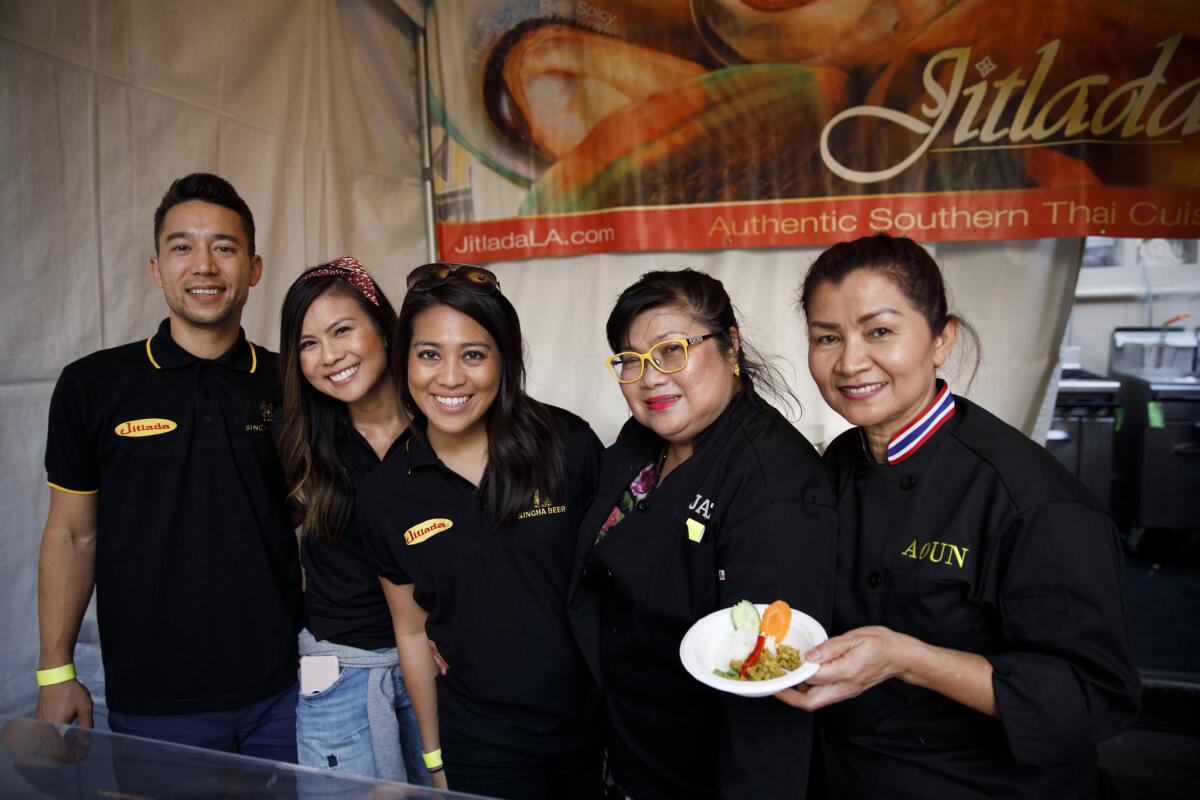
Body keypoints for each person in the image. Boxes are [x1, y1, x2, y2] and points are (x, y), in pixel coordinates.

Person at [780, 233, 1141, 798]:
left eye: (879, 331)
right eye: (828, 337)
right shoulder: (834, 466)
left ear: (941, 339)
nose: (850, 362)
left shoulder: (1031, 499)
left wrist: (910, 659)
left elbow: (1092, 695)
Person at [36, 173, 303, 759]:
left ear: (253, 267)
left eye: (224, 247)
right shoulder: (93, 385)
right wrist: (55, 673)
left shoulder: (294, 383)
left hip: (286, 691)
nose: (204, 265)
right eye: (182, 246)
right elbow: (73, 533)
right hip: (154, 698)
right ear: (157, 268)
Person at [567, 269, 838, 799]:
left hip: (695, 776)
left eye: (671, 350)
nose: (649, 378)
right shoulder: (638, 445)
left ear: (730, 345)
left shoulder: (772, 484)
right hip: (624, 751)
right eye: (631, 361)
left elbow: (770, 697)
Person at [356, 263, 603, 799]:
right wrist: (434, 755)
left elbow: (618, 578)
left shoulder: (568, 446)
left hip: (594, 730)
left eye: (473, 354)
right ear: (404, 361)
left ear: (505, 360)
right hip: (481, 743)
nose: (449, 378)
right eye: (428, 354)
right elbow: (413, 632)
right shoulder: (384, 495)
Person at [277, 257, 430, 784]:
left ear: (384, 328)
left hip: (441, 663)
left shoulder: (444, 421)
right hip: (342, 671)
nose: (330, 356)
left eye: (343, 330)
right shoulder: (300, 446)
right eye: (308, 343)